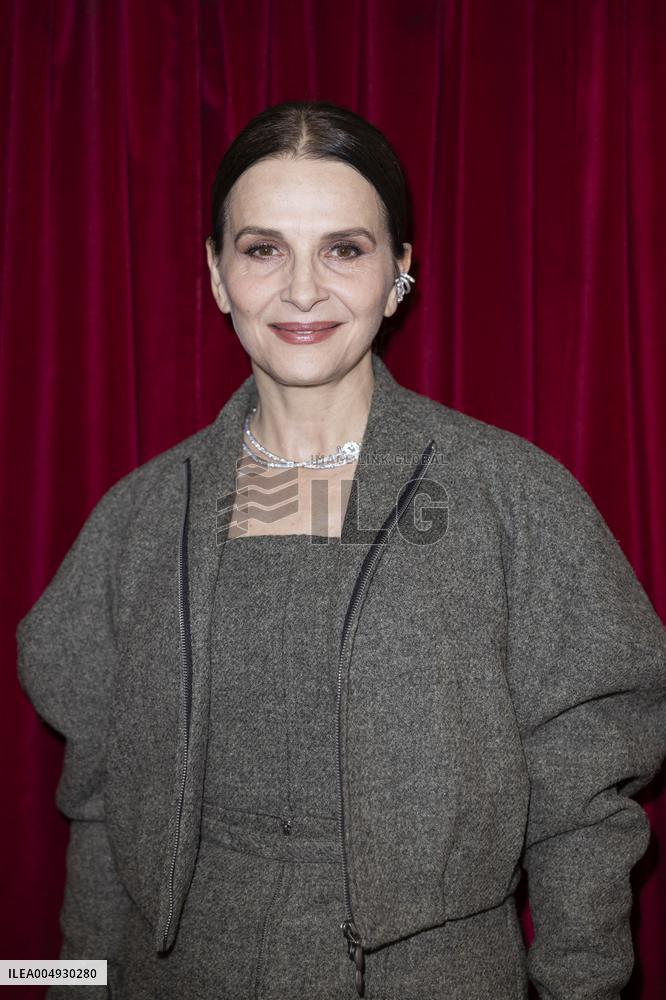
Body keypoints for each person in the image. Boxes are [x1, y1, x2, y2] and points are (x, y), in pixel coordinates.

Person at [16, 100, 666, 1000]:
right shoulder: (140, 518)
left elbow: (584, 801)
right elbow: (95, 808)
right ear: (216, 273)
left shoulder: (512, 498)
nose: (304, 290)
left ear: (400, 272)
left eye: (345, 249)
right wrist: (72, 989)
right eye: (263, 249)